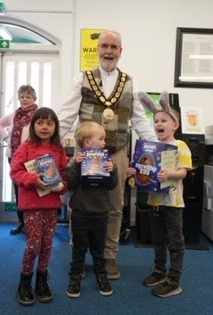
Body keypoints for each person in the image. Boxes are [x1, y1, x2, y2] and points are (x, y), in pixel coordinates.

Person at [57, 29, 156, 279]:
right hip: (85, 152)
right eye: (105, 46)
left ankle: (109, 257)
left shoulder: (130, 82)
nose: (109, 51)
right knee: (78, 205)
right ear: (97, 49)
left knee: (114, 207)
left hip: (118, 153)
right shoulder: (81, 78)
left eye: (114, 47)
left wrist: (157, 146)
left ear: (121, 51)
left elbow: (140, 119)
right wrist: (49, 143)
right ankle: (77, 257)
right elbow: (67, 113)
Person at [127, 91, 192, 298]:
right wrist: (135, 171)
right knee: (157, 240)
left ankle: (174, 280)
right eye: (156, 121)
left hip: (172, 204)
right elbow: (146, 169)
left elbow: (183, 172)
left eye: (164, 120)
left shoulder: (180, 146)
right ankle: (159, 271)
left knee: (175, 242)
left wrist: (170, 173)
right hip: (154, 202)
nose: (158, 124)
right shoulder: (152, 147)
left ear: (175, 125)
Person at [10, 107, 68, 306]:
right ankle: (24, 281)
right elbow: (15, 172)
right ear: (33, 125)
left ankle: (41, 280)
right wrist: (34, 179)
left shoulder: (58, 150)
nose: (45, 127)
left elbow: (63, 175)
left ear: (55, 127)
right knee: (33, 245)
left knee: (47, 245)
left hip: (51, 205)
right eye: (40, 123)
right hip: (33, 205)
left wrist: (61, 186)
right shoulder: (26, 147)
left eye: (50, 123)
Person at [65, 121, 118, 298]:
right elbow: (70, 184)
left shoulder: (107, 160)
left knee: (98, 248)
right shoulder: (76, 160)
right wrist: (75, 165)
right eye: (101, 139)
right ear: (87, 142)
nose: (104, 143)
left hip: (100, 212)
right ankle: (75, 277)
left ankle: (101, 275)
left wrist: (113, 170)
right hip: (80, 212)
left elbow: (111, 186)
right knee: (79, 248)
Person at [0, 84, 38, 235]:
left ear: (34, 98)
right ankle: (22, 222)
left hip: (33, 159)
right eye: (22, 96)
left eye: (28, 96)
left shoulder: (39, 114)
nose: (25, 99)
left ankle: (34, 223)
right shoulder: (15, 114)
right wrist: (6, 137)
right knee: (18, 191)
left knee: (34, 190)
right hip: (15, 158)